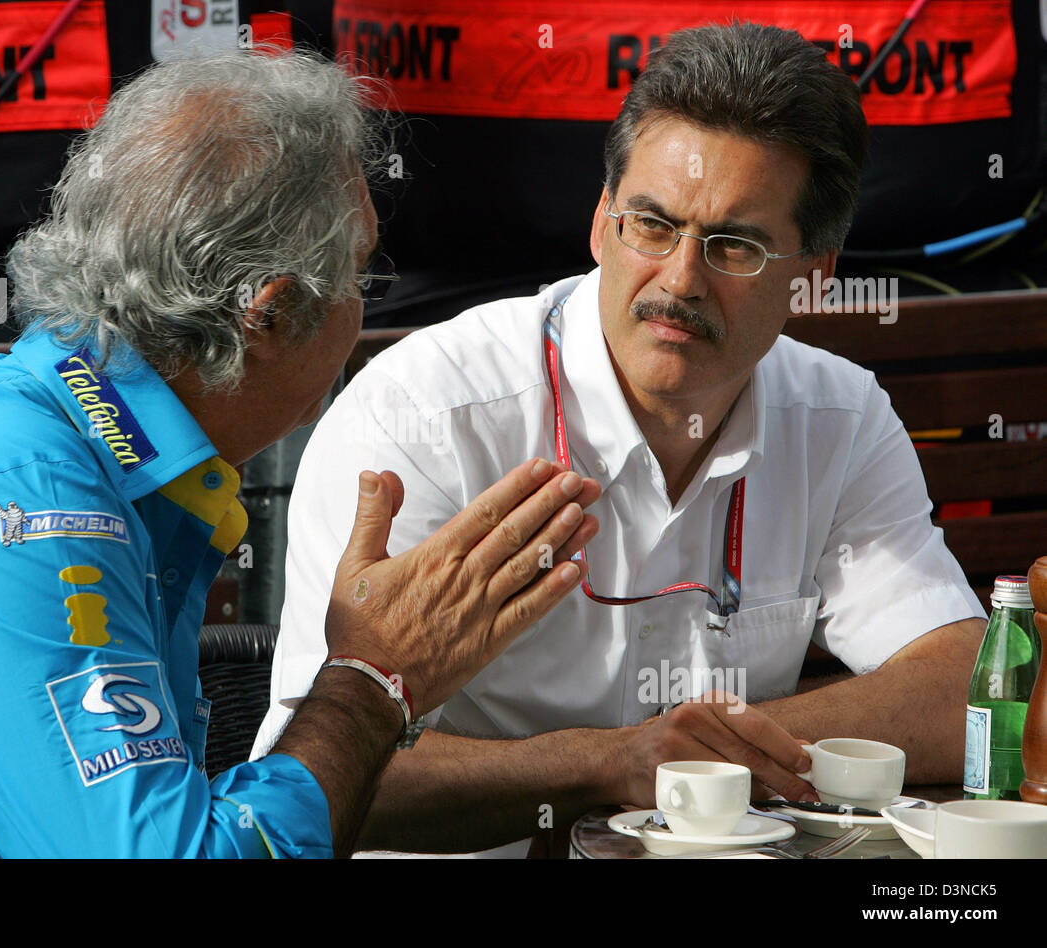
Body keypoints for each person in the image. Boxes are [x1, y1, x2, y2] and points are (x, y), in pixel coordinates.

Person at [0, 50, 603, 858]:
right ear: (268, 313)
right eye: (361, 274)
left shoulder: (78, 444)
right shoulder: (25, 508)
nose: (362, 315)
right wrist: (372, 677)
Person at [253, 22, 988, 856]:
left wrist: (691, 756)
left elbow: (962, 685)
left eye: (734, 246)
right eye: (652, 225)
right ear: (601, 222)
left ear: (814, 275)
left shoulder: (840, 416)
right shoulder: (427, 413)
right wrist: (614, 765)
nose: (680, 280)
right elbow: (308, 782)